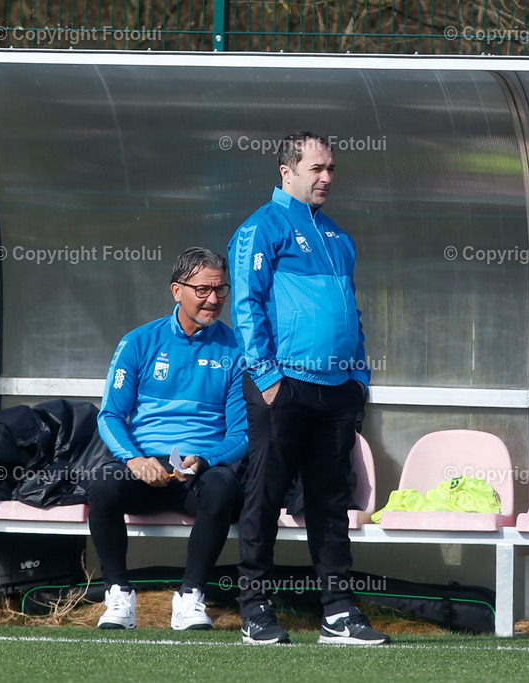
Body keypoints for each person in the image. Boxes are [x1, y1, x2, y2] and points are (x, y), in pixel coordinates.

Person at [228, 131, 390, 645]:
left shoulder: (339, 237)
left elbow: (352, 312)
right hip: (283, 386)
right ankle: (255, 608)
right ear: (287, 171)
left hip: (337, 390)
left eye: (331, 169)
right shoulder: (262, 227)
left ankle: (338, 612)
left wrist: (358, 378)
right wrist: (268, 377)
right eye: (316, 168)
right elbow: (246, 305)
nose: (325, 178)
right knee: (265, 494)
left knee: (329, 503)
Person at [91, 247, 246, 630]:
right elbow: (110, 414)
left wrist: (206, 460)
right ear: (177, 290)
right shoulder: (139, 342)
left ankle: (191, 597)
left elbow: (242, 433)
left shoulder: (238, 348)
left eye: (221, 290)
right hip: (145, 468)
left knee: (223, 484)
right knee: (102, 483)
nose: (214, 299)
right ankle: (118, 596)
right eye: (203, 290)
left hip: (199, 472)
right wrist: (133, 459)